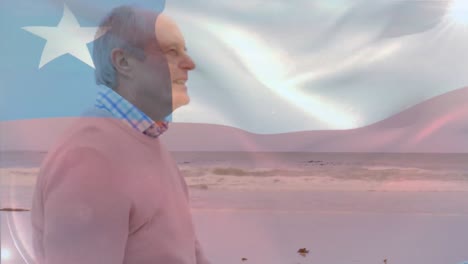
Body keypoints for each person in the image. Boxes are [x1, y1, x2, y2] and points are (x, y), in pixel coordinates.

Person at [31, 5, 211, 264]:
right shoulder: (91, 159)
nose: (189, 64)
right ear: (123, 62)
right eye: (172, 51)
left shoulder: (144, 140)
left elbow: (187, 250)